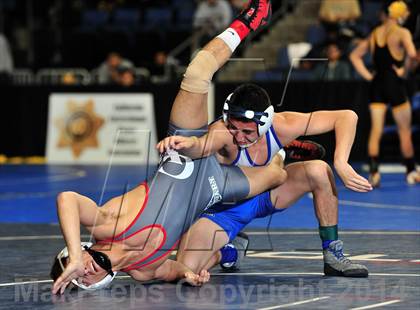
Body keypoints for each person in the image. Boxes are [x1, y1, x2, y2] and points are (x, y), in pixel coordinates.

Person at [51, 0, 275, 294]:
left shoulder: (107, 225)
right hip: (213, 187)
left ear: (82, 250)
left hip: (183, 157)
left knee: (197, 73)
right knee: (278, 176)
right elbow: (172, 270)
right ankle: (283, 151)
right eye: (81, 278)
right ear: (95, 285)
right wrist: (189, 275)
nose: (84, 271)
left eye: (75, 265)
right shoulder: (143, 272)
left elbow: (67, 198)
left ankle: (249, 21)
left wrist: (75, 254)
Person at [159, 84, 372, 278]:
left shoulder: (283, 125)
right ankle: (229, 252)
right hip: (224, 209)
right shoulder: (222, 132)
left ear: (264, 123)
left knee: (319, 170)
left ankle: (332, 253)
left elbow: (346, 117)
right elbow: (202, 145)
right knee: (185, 270)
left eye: (247, 132)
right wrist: (186, 143)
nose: (239, 137)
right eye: (234, 127)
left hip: (265, 195)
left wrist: (341, 161)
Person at [350, 0, 420, 186]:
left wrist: (368, 76)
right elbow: (413, 55)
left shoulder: (375, 33)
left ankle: (374, 173)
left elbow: (354, 55)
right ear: (400, 15)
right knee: (404, 131)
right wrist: (404, 72)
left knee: (376, 130)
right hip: (394, 83)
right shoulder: (402, 32)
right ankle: (411, 172)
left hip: (377, 84)